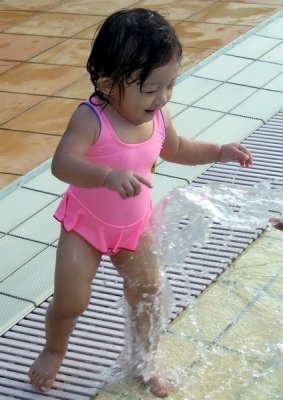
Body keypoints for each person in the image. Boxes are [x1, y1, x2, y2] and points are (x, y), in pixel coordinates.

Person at [28, 8, 253, 398]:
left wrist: (219, 151)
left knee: (149, 289)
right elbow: (62, 165)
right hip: (86, 224)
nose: (162, 98)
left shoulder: (158, 114)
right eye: (150, 89)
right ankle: (54, 349)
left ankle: (145, 360)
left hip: (133, 226)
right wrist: (106, 176)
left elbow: (179, 148)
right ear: (108, 83)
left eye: (170, 86)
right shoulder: (91, 118)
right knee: (71, 300)